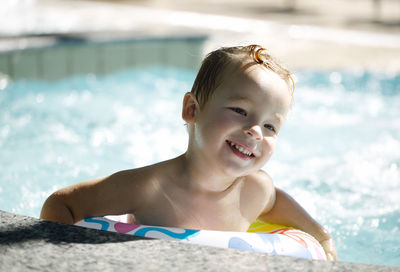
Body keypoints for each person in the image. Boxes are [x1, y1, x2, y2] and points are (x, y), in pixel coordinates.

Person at [40, 44, 337, 260]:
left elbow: (275, 203)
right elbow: (62, 204)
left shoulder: (256, 188)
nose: (255, 131)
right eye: (240, 110)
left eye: (271, 127)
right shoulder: (149, 187)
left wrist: (319, 234)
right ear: (191, 109)